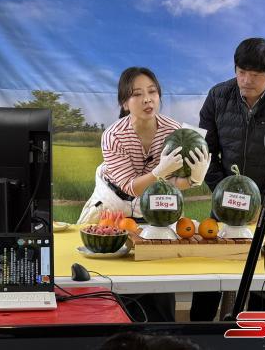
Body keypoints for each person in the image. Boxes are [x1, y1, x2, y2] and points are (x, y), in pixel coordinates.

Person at [78, 66, 211, 322]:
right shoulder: (113, 136)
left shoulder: (176, 131)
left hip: (157, 205)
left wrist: (194, 178)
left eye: (152, 92)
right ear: (124, 103)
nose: (147, 99)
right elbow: (130, 186)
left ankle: (162, 334)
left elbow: (174, 183)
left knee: (159, 282)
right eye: (137, 94)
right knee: (111, 281)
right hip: (114, 204)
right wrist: (159, 172)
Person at [190, 38, 265, 322]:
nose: (246, 80)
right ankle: (199, 330)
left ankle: (259, 334)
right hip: (226, 199)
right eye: (241, 72)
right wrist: (223, 192)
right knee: (212, 271)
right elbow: (205, 152)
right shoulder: (218, 95)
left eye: (255, 75)